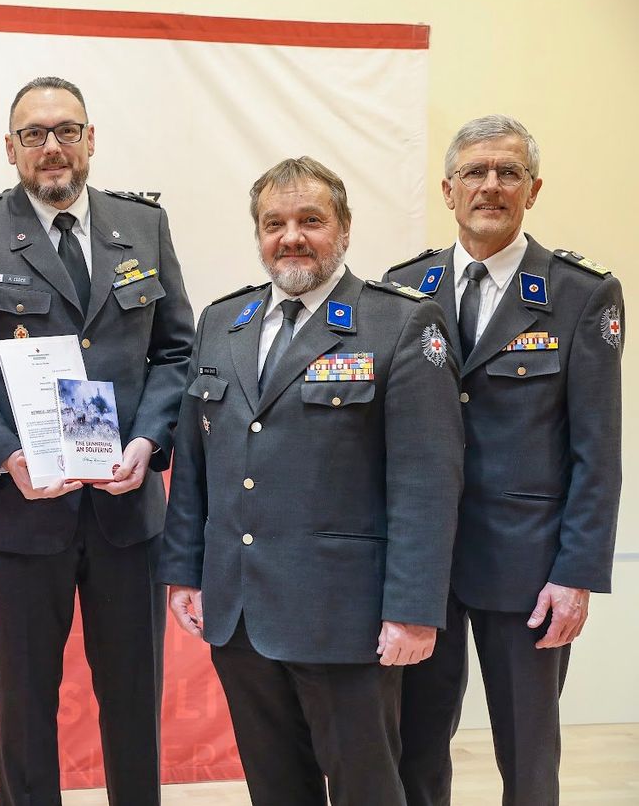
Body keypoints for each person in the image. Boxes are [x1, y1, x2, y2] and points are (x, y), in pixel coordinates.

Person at [161, 156, 465, 805]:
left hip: (346, 620)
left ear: (344, 228)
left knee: (366, 790)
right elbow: (196, 464)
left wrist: (413, 610)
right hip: (241, 612)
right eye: (274, 223)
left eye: (310, 220)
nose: (291, 237)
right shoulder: (222, 322)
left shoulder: (401, 323)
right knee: (275, 789)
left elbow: (427, 483)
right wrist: (185, 572)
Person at [0, 76, 194, 805]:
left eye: (67, 130)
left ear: (91, 140)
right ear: (10, 147)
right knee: (25, 704)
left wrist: (149, 442)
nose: (52, 147)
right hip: (23, 511)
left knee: (134, 699)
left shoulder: (143, 226)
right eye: (35, 134)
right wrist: (5, 456)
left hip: (126, 510)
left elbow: (176, 352)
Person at [387, 115, 624, 806]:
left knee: (527, 752)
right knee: (415, 743)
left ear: (533, 189)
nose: (490, 185)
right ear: (448, 190)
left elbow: (598, 451)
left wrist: (576, 575)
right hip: (423, 567)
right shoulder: (403, 288)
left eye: (508, 172)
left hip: (527, 568)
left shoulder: (581, 294)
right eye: (474, 172)